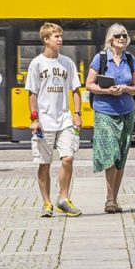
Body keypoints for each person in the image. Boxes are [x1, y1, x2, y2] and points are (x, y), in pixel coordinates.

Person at [25, 22, 83, 217]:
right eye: (56, 36)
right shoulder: (37, 64)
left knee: (68, 157)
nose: (60, 39)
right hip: (44, 121)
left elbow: (76, 89)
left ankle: (63, 198)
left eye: (60, 36)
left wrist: (77, 114)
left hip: (64, 119)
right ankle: (47, 203)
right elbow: (32, 94)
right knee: (44, 163)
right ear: (46, 40)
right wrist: (34, 119)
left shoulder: (67, 63)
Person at [84, 24, 135, 214]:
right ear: (111, 39)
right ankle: (109, 199)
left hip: (126, 111)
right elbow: (89, 84)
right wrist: (107, 91)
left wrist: (125, 89)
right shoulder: (100, 58)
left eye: (124, 35)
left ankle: (114, 199)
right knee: (111, 153)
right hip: (105, 111)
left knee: (121, 156)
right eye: (117, 36)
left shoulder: (130, 59)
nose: (121, 38)